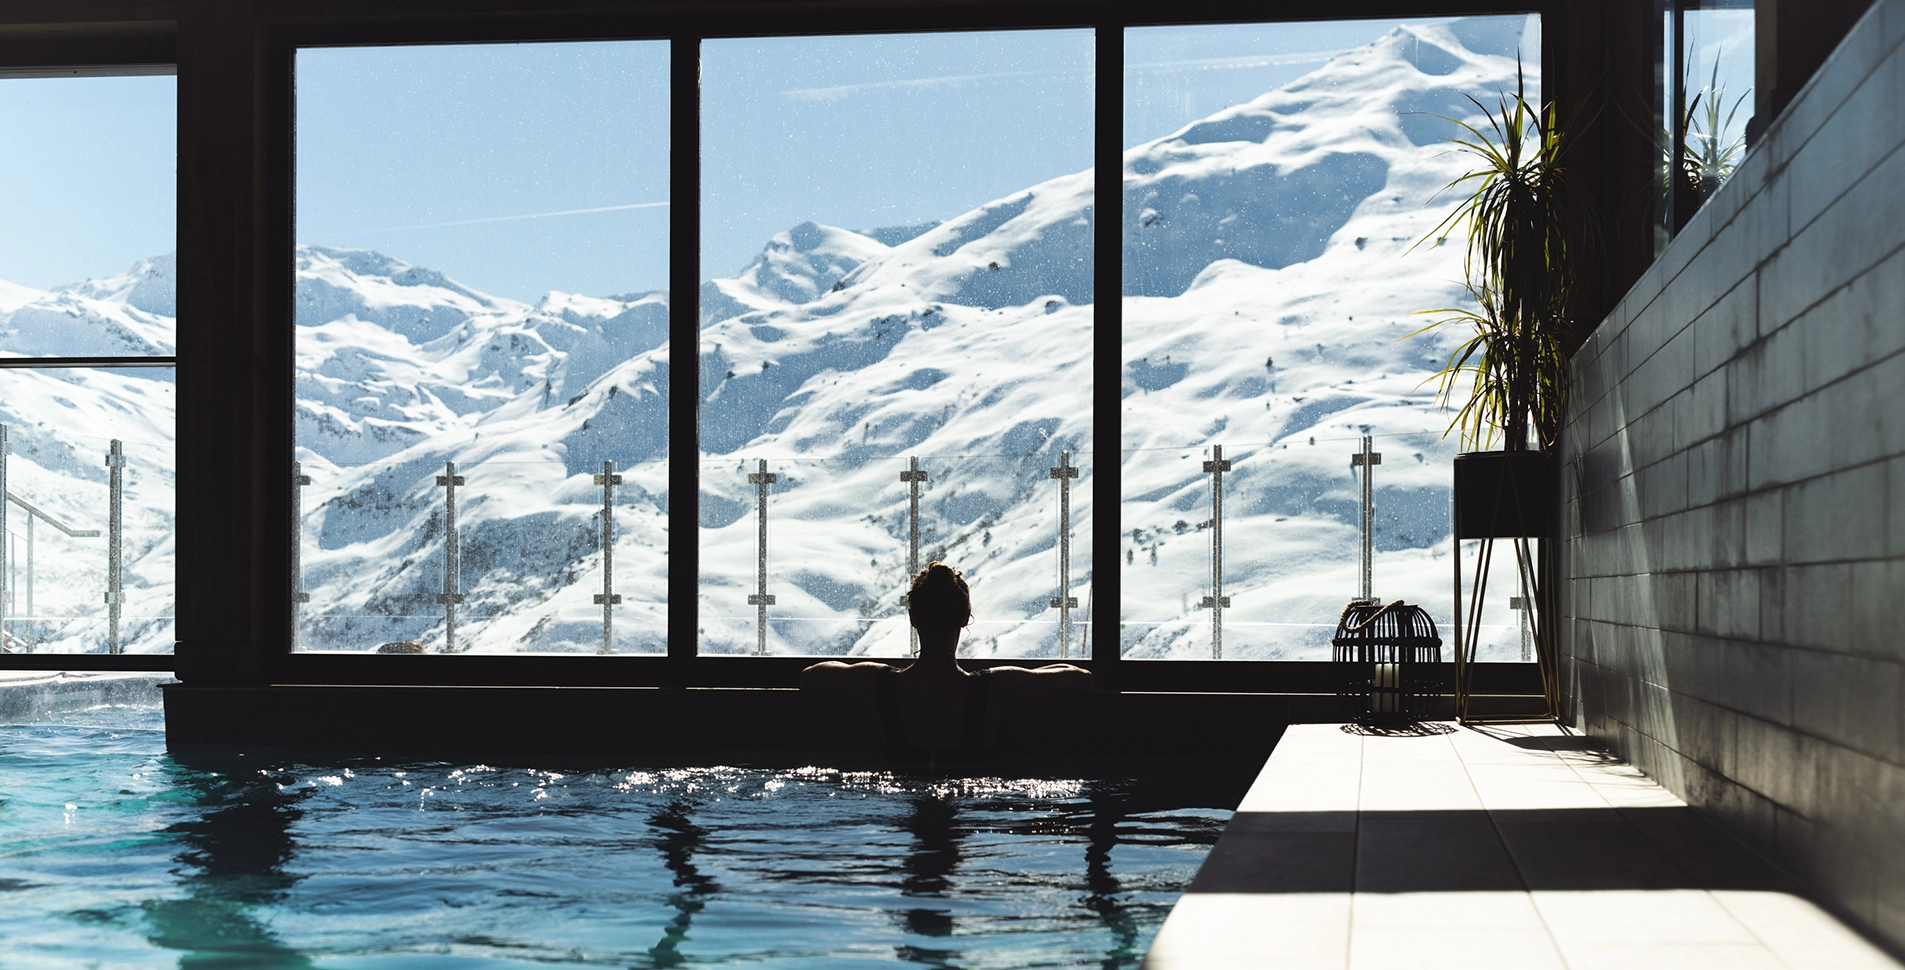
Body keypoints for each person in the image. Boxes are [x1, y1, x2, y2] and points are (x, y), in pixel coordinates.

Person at [800, 561, 1093, 762]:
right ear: (966, 619)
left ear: (913, 618)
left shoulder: (879, 684)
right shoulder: (996, 686)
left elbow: (810, 675)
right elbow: (1081, 677)